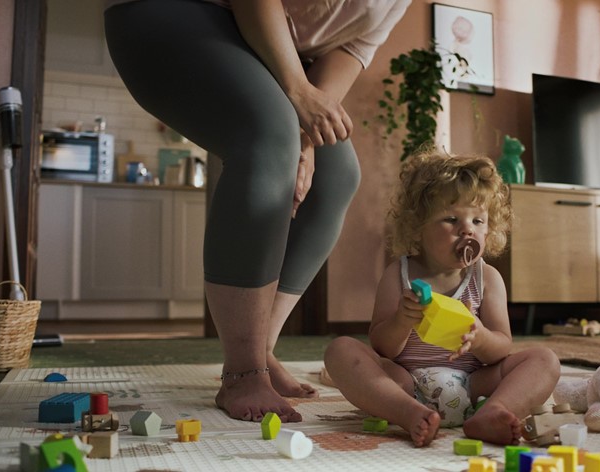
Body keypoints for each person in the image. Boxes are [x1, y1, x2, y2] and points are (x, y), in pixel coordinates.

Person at [104, 0, 411, 423]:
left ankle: (260, 350)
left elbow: (351, 50)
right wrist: (298, 94)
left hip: (265, 50)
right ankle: (243, 370)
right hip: (174, 11)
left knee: (336, 174)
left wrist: (308, 138)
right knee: (269, 132)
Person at [323, 152, 561, 447]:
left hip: (474, 386)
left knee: (544, 360)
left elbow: (502, 347)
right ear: (418, 226)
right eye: (451, 219)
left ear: (489, 227)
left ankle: (494, 411)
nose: (467, 229)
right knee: (341, 350)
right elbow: (382, 346)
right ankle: (408, 414)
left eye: (478, 219)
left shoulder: (487, 278)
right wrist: (401, 320)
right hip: (406, 384)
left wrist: (481, 337)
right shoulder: (398, 274)